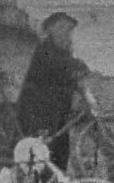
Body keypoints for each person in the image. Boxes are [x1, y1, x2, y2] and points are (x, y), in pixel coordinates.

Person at [16, 11, 92, 171]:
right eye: (62, 28)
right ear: (51, 29)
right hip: (40, 113)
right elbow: (59, 65)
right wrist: (78, 67)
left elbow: (67, 69)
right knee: (47, 155)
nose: (67, 33)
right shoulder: (45, 49)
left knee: (59, 153)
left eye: (69, 30)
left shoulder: (61, 50)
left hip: (56, 112)